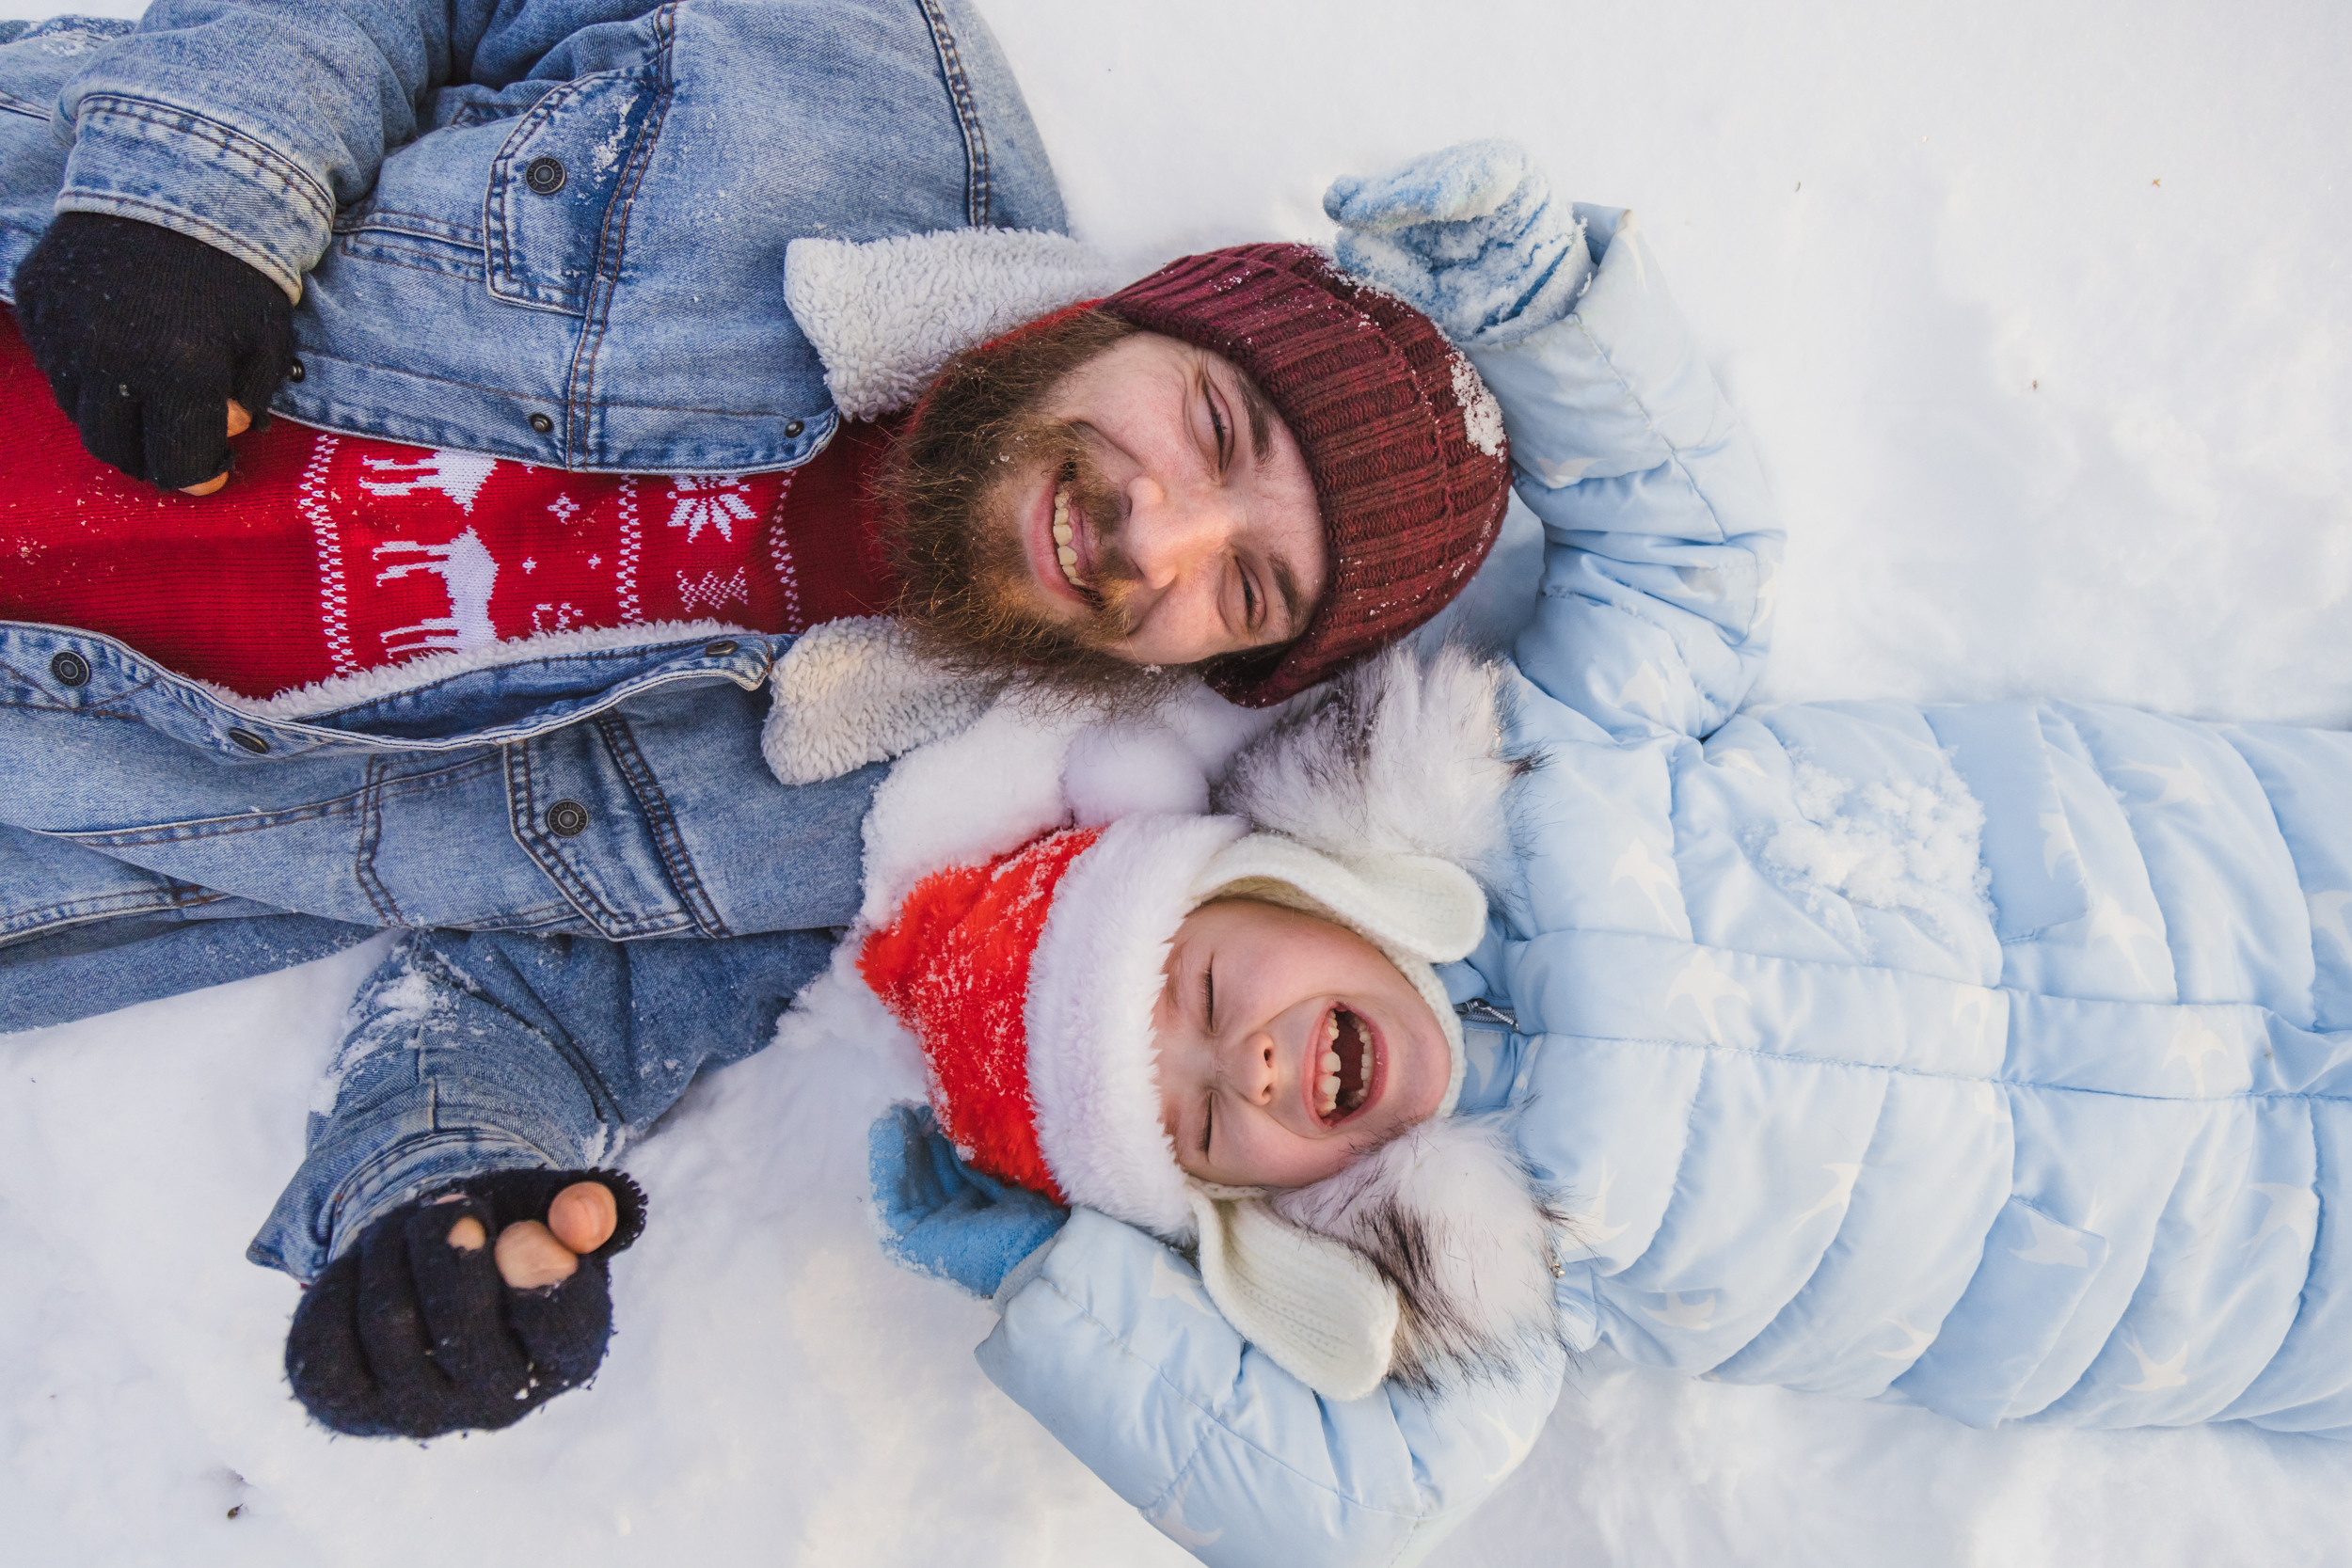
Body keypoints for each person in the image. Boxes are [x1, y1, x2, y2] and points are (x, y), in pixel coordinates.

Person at [841, 147, 2352, 1568]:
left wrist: (1544, 311)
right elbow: (1350, 1511)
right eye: (1202, 1126)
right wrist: (1065, 1293)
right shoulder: (1466, 1274)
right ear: (1241, 1216)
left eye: (1216, 987)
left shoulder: (1545, 764)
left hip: (2258, 887)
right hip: (2258, 1272)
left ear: (1279, 884)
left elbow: (1683, 557)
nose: (1247, 1068)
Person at [0, 77, 1548, 1438]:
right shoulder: (838, 84)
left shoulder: (848, 843)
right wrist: (199, 195)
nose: (1157, 534)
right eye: (1213, 428)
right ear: (1150, 306)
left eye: (1245, 588)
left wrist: (439, 1208)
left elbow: (521, 1019)